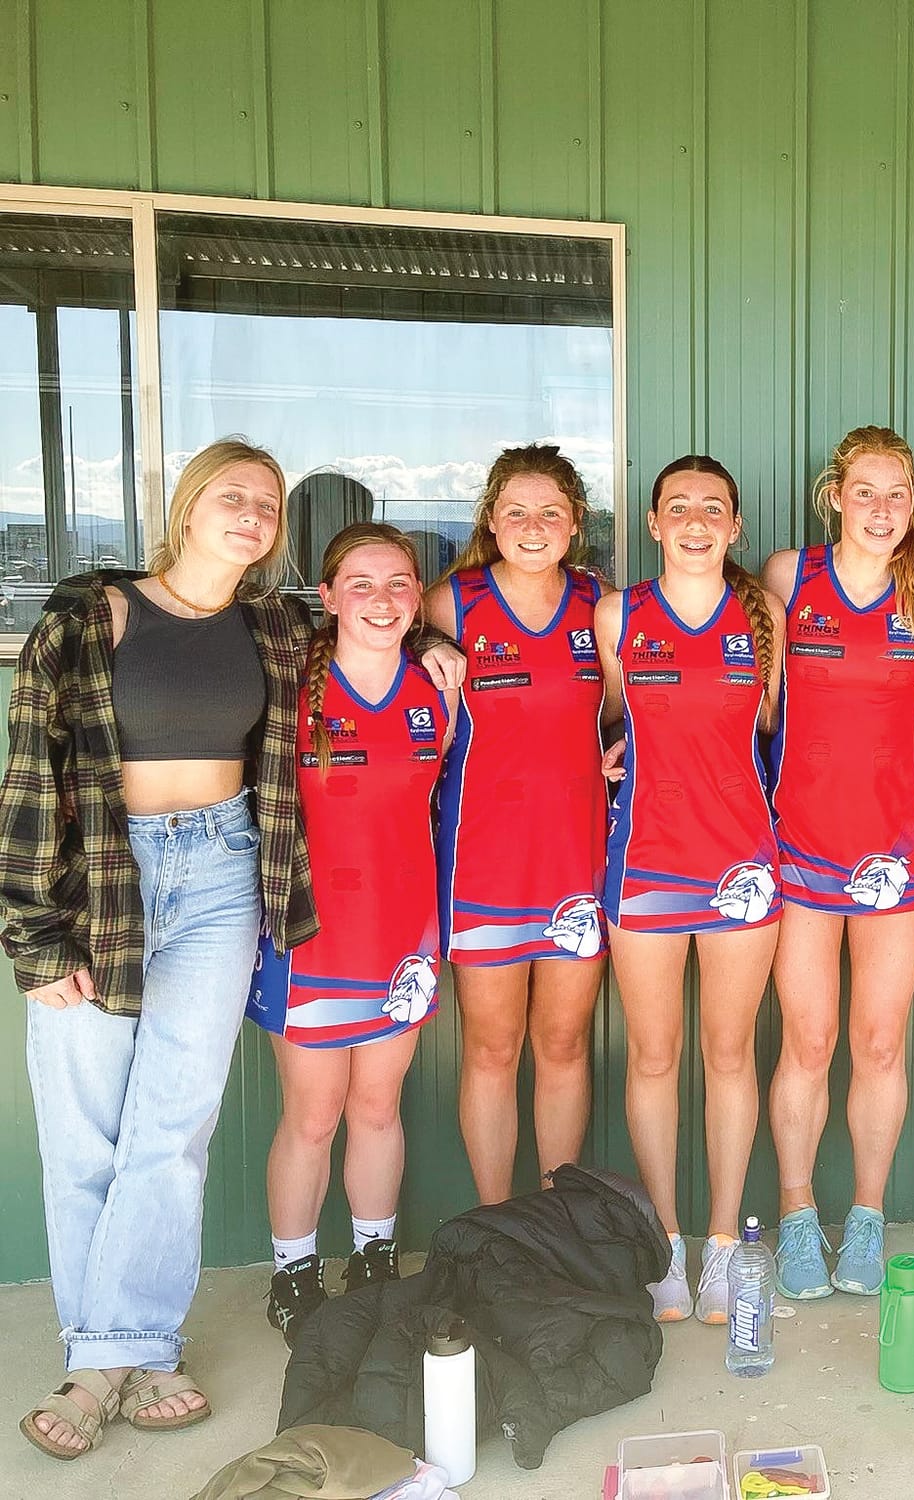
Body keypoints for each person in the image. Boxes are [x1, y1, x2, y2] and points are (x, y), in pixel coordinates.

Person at [1, 440, 461, 1461]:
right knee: (85, 1131)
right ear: (187, 505)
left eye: (267, 503)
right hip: (105, 875)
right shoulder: (92, 613)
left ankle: (129, 1349)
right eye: (232, 495)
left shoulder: (272, 626)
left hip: (221, 873)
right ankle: (109, 1357)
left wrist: (434, 640)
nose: (251, 513)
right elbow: (30, 771)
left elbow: (372, 614)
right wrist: (33, 932)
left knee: (172, 1126)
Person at [252, 523, 457, 1345]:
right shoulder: (288, 687)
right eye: (361, 584)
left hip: (404, 930)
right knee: (313, 1114)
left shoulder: (436, 689)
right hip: (309, 933)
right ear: (329, 596)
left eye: (399, 583)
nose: (381, 599)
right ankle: (294, 1272)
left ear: (418, 598)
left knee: (378, 1104)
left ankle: (375, 1260)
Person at [760, 425, 914, 1299]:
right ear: (835, 496)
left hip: (896, 852)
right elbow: (755, 703)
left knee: (878, 1042)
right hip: (800, 847)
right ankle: (799, 1214)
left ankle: (867, 1217)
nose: (881, 510)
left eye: (897, 494)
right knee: (809, 1040)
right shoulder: (788, 577)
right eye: (865, 492)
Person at [598, 455, 785, 1326]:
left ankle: (720, 1245)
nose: (697, 521)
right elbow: (603, 716)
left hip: (742, 863)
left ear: (735, 525)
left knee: (730, 1053)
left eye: (714, 507)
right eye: (680, 507)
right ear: (653, 522)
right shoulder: (619, 615)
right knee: (652, 1056)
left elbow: (775, 726)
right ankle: (664, 1245)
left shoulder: (763, 615)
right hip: (645, 860)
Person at [427, 445, 608, 1205]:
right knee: (493, 1049)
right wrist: (425, 643)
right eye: (516, 512)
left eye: (550, 513)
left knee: (563, 1044)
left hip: (574, 858)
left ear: (575, 523)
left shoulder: (601, 605)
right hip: (483, 861)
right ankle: (499, 1224)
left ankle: (555, 1221)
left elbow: (632, 708)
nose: (533, 527)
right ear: (492, 521)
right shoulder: (451, 604)